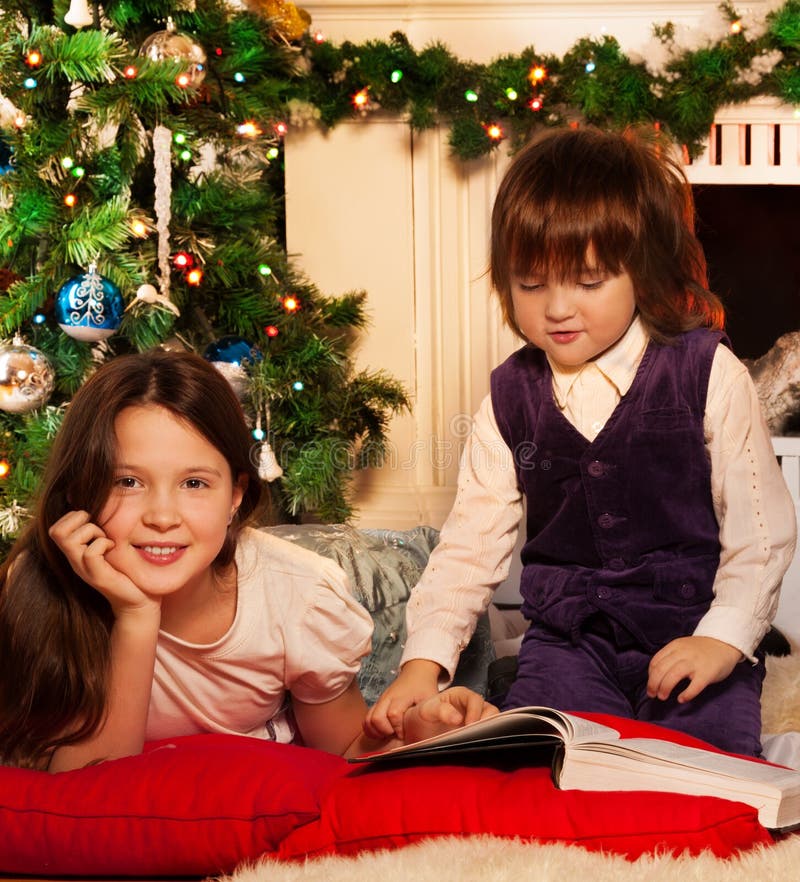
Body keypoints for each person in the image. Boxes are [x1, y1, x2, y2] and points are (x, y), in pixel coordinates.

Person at [365, 125, 797, 757]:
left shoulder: (707, 372)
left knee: (710, 771)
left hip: (690, 629)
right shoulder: (509, 398)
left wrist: (725, 638)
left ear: (641, 274)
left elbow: (760, 530)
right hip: (570, 642)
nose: (558, 308)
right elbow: (467, 547)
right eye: (532, 284)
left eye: (588, 282)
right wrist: (423, 663)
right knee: (546, 759)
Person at [0, 349, 492, 772]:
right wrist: (136, 615)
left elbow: (344, 753)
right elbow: (89, 790)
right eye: (127, 482)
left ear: (235, 495)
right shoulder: (41, 586)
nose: (162, 516)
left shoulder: (298, 597)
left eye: (194, 483)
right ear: (80, 488)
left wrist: (417, 732)